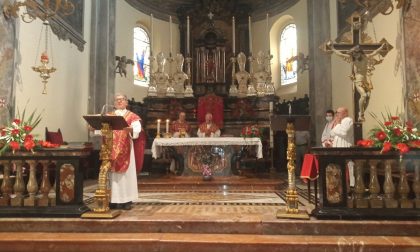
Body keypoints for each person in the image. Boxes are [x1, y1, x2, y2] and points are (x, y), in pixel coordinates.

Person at [328, 42, 387, 122]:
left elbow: (375, 52)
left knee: (368, 96)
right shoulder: (353, 59)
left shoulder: (366, 57)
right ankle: (361, 114)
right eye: (354, 54)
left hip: (365, 80)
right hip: (358, 80)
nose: (355, 56)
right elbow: (340, 54)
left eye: (356, 54)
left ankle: (361, 113)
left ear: (360, 52)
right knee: (364, 95)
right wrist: (332, 48)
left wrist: (382, 47)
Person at [109, 93, 146, 210]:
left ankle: (126, 199)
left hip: (126, 149)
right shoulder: (109, 115)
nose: (119, 101)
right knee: (113, 176)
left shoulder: (132, 116)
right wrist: (95, 128)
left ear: (126, 102)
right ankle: (113, 200)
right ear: (114, 103)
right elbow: (101, 128)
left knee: (126, 175)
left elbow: (137, 128)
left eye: (122, 99)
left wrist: (132, 129)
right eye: (117, 100)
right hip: (111, 148)